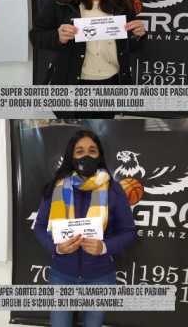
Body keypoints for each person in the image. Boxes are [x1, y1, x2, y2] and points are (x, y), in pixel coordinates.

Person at [30, 0, 147, 118]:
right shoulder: (61, 0)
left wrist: (139, 36)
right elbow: (36, 36)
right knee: (71, 129)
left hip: (110, 85)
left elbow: (132, 47)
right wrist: (58, 37)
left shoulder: (123, 3)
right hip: (71, 85)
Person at [34, 130, 136, 327]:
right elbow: (39, 227)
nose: (86, 156)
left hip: (100, 277)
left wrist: (104, 247)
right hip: (62, 276)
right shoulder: (56, 187)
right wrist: (56, 248)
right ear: (71, 156)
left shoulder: (114, 190)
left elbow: (129, 232)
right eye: (80, 151)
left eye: (92, 151)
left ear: (99, 156)